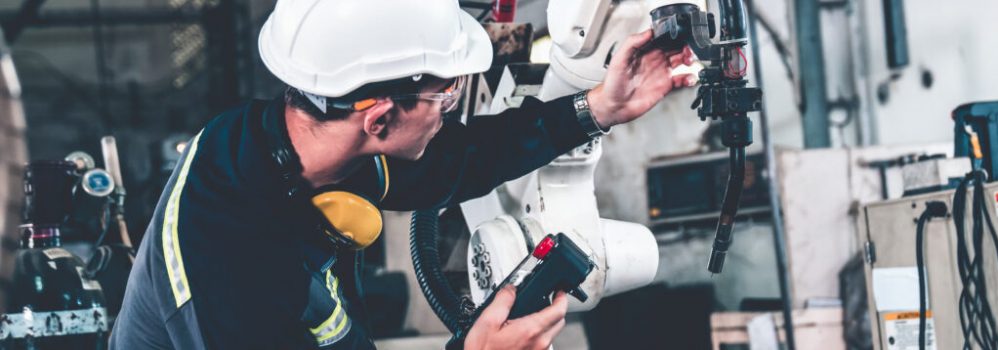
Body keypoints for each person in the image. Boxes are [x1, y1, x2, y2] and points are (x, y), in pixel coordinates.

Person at [109, 0, 695, 349]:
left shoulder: (289, 139)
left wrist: (597, 108)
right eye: (446, 97)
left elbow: (458, 160)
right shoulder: (231, 282)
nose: (451, 111)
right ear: (382, 118)